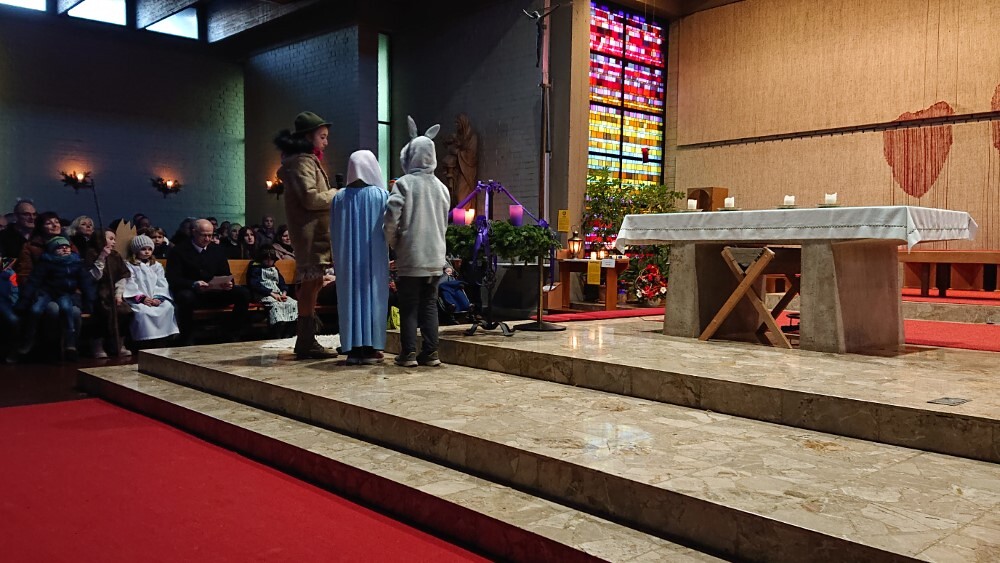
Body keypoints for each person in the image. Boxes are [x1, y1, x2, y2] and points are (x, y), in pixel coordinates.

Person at [385, 117, 451, 367]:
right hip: (435, 256)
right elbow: (443, 224)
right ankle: (431, 352)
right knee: (429, 304)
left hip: (412, 255)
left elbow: (391, 218)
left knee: (409, 305)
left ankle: (408, 353)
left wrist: (394, 242)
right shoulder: (442, 188)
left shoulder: (404, 184)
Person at [275, 111, 339, 359]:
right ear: (307, 137)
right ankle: (306, 340)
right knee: (311, 286)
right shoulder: (302, 162)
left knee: (313, 284)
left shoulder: (306, 160)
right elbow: (310, 198)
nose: (326, 142)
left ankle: (306, 338)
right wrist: (336, 194)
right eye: (322, 137)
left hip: (314, 233)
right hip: (310, 234)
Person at [331, 150, 390, 365]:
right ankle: (372, 348)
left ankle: (354, 349)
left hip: (347, 261)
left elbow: (333, 231)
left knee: (350, 298)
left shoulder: (338, 198)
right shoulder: (381, 196)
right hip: (374, 260)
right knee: (373, 296)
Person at [166, 219, 250, 346]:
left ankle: (232, 333)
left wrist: (228, 283)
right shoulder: (179, 251)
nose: (207, 239)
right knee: (185, 297)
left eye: (210, 235)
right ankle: (187, 337)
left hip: (216, 292)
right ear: (194, 232)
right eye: (203, 235)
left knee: (243, 293)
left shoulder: (217, 250)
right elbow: (173, 278)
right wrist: (194, 284)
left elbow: (226, 273)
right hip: (194, 293)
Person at [19, 236, 92, 361]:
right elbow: (34, 282)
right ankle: (40, 343)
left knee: (72, 311)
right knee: (41, 310)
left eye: (66, 247)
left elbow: (86, 283)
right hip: (48, 293)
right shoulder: (46, 263)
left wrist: (88, 302)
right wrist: (24, 301)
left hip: (68, 294)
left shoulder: (76, 263)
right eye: (60, 247)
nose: (65, 249)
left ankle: (71, 345)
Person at [123, 234, 179, 344]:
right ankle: (144, 340)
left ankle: (164, 338)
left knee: (167, 307)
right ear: (135, 250)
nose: (147, 252)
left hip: (154, 298)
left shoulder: (156, 265)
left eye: (149, 249)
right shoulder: (130, 265)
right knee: (142, 312)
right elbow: (130, 283)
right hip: (138, 299)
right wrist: (142, 298)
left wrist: (158, 298)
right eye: (143, 249)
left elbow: (161, 282)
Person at [85, 228, 132, 358]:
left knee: (125, 311)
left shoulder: (115, 255)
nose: (114, 242)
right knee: (102, 311)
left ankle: (118, 343)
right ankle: (97, 344)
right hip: (96, 291)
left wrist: (118, 294)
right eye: (110, 239)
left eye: (114, 239)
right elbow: (94, 277)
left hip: (112, 291)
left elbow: (122, 276)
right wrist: (102, 257)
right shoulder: (91, 254)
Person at [247, 244, 298, 337]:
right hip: (263, 294)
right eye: (266, 259)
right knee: (276, 305)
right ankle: (276, 333)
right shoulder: (255, 267)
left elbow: (282, 282)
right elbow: (255, 284)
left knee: (294, 303)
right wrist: (271, 293)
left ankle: (289, 333)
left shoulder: (275, 269)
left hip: (278, 294)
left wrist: (284, 293)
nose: (269, 262)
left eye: (271, 259)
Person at [17, 211, 76, 280]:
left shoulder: (67, 242)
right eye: (48, 223)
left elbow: (78, 263)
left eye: (57, 222)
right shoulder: (31, 246)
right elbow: (25, 272)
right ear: (41, 227)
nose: (55, 225)